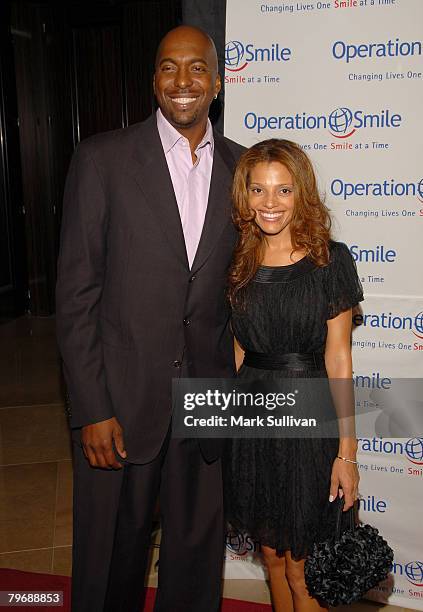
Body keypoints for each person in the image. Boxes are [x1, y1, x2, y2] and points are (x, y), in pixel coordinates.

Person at [56, 25, 244, 612]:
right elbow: (76, 294)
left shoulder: (244, 170)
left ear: (216, 82)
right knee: (111, 560)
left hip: (207, 402)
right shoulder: (103, 160)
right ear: (154, 80)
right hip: (120, 402)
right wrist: (92, 407)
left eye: (196, 69)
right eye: (168, 67)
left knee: (194, 565)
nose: (182, 81)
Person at [224, 139, 363, 612]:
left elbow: (339, 361)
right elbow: (238, 351)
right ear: (244, 195)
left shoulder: (330, 262)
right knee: (271, 556)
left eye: (283, 190)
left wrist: (347, 453)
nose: (269, 204)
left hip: (309, 423)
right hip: (253, 421)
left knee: (303, 565)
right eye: (258, 190)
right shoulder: (236, 264)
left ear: (302, 193)